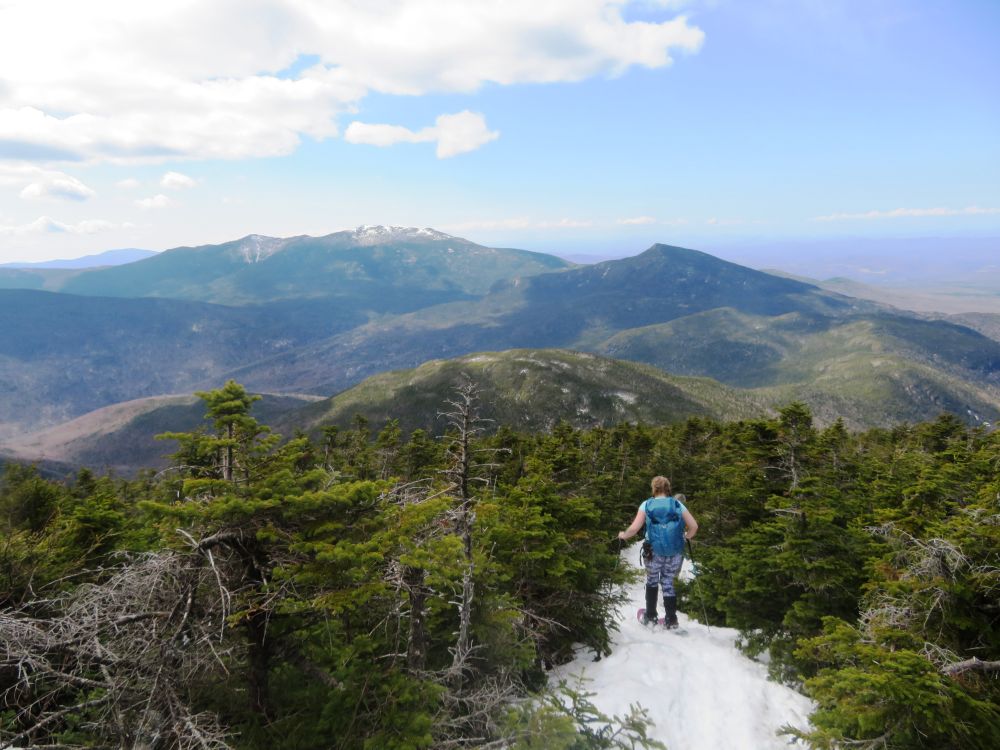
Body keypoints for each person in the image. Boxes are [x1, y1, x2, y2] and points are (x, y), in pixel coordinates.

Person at [618, 476, 698, 628]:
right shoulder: (677, 504)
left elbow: (634, 529)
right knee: (668, 583)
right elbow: (694, 526)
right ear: (668, 488)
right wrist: (686, 537)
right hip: (675, 551)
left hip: (653, 551)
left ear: (654, 489)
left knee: (652, 580)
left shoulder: (647, 504)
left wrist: (623, 535)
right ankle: (671, 620)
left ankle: (650, 616)